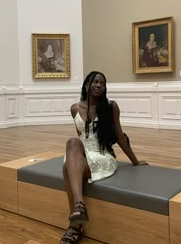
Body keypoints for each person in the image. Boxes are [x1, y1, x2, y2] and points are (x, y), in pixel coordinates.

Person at [60, 71, 148, 244]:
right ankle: (79, 208)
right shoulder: (75, 109)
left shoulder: (111, 107)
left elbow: (120, 137)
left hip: (103, 156)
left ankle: (75, 225)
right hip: (84, 155)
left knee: (66, 168)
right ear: (87, 85)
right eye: (96, 82)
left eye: (103, 83)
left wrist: (135, 162)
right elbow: (82, 137)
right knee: (72, 142)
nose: (100, 85)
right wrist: (80, 155)